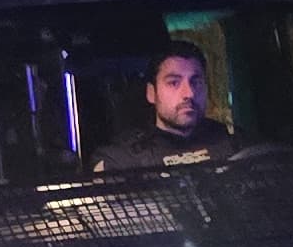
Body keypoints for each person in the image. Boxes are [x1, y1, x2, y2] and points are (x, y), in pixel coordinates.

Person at [90, 37, 249, 171]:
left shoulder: (236, 143)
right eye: (173, 83)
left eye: (196, 82)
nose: (189, 93)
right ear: (152, 93)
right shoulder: (122, 160)